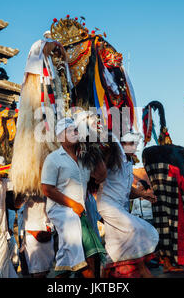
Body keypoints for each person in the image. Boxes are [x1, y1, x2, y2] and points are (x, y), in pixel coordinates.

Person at [41, 117, 107, 278]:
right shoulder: (53, 159)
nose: (74, 133)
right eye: (69, 131)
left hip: (80, 212)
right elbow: (47, 189)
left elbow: (101, 176)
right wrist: (73, 204)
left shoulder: (84, 159)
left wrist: (93, 150)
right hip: (62, 211)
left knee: (79, 255)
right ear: (60, 137)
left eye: (75, 130)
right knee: (84, 255)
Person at [96, 132, 159, 278]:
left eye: (135, 144)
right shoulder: (113, 155)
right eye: (131, 143)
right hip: (108, 205)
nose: (135, 146)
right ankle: (141, 268)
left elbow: (126, 189)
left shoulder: (129, 163)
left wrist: (144, 195)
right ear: (122, 145)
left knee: (114, 249)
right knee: (137, 229)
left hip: (121, 208)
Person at [20, 196, 55, 278]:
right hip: (32, 231)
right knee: (37, 272)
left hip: (47, 229)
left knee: (45, 271)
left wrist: (50, 227)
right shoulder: (25, 187)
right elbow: (17, 204)